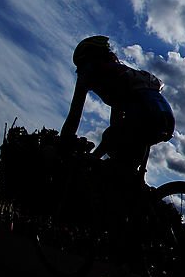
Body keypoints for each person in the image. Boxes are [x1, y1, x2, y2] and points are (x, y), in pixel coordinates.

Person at [61, 36, 175, 180]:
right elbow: (119, 114)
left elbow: (75, 113)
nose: (80, 71)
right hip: (164, 117)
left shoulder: (97, 73)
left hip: (145, 115)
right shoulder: (121, 72)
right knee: (122, 164)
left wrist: (65, 143)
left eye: (82, 66)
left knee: (110, 142)